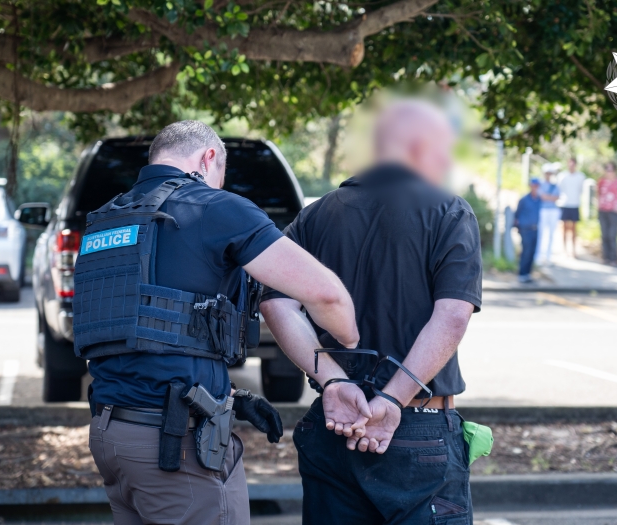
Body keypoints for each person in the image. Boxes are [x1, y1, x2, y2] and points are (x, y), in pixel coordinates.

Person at [73, 121, 359, 525]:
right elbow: (325, 293)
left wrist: (228, 398)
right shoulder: (214, 206)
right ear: (209, 158)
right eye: (221, 173)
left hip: (112, 435)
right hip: (173, 446)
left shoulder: (108, 219)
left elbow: (145, 341)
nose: (220, 185)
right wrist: (348, 340)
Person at [261, 100, 482, 525]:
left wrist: (333, 382)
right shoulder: (450, 212)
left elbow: (275, 301)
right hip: (419, 428)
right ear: (422, 147)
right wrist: (392, 400)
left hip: (333, 425)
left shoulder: (314, 216)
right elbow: (452, 316)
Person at [597, 161, 617, 265]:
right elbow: (597, 193)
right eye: (607, 169)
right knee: (604, 235)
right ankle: (605, 258)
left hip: (614, 212)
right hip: (603, 210)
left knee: (612, 235)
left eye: (611, 170)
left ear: (615, 171)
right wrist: (597, 204)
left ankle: (613, 259)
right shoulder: (601, 181)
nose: (609, 172)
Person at [557, 157, 586, 257]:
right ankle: (564, 249)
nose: (571, 166)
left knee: (574, 229)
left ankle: (574, 250)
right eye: (569, 164)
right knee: (564, 228)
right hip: (565, 204)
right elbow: (560, 189)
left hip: (575, 204)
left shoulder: (581, 176)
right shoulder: (562, 176)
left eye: (573, 164)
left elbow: (581, 190)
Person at [515, 178, 542, 283]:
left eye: (537, 185)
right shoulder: (524, 199)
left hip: (535, 228)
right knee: (526, 251)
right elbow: (517, 214)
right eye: (533, 185)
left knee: (532, 252)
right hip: (526, 229)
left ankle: (528, 274)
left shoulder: (538, 199)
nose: (535, 187)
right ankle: (522, 274)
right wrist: (518, 227)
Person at [535, 163, 560, 265]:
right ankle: (539, 257)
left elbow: (556, 197)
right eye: (547, 173)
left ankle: (548, 257)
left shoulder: (555, 185)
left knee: (551, 234)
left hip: (553, 211)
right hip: (543, 210)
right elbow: (542, 197)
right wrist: (549, 197)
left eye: (550, 173)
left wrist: (547, 197)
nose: (548, 175)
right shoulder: (540, 184)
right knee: (541, 233)